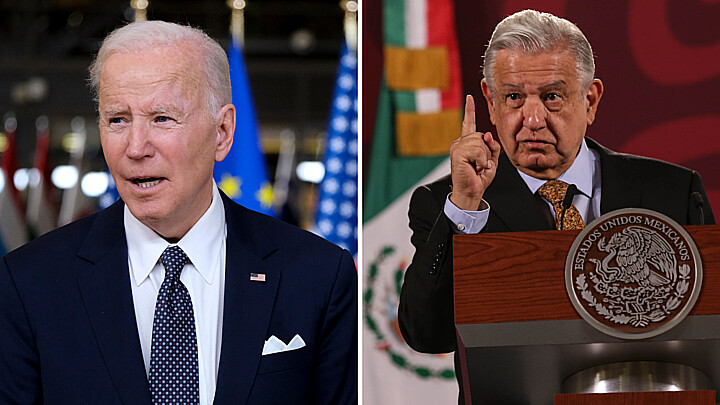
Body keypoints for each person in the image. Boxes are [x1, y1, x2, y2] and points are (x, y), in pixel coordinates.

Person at [0, 21, 357, 405]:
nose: (136, 147)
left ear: (222, 132)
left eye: (162, 119)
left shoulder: (318, 275)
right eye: (117, 119)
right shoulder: (28, 283)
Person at [398, 9, 714, 402]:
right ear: (490, 103)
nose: (532, 119)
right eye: (513, 97)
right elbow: (427, 334)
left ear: (590, 99)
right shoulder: (450, 204)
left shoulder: (674, 192)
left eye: (552, 96)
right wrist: (465, 205)